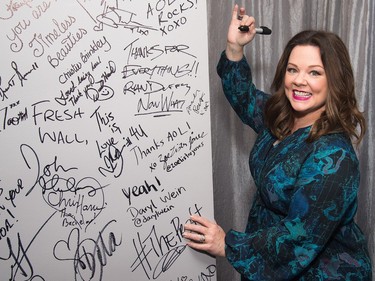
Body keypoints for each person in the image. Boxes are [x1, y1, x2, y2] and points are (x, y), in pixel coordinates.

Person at [183, 4, 372, 280]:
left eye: (314, 73)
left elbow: (297, 239)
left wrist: (227, 245)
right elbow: (244, 97)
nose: (299, 81)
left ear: (335, 81)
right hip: (271, 257)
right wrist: (234, 47)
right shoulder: (282, 117)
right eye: (293, 70)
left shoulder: (334, 158)